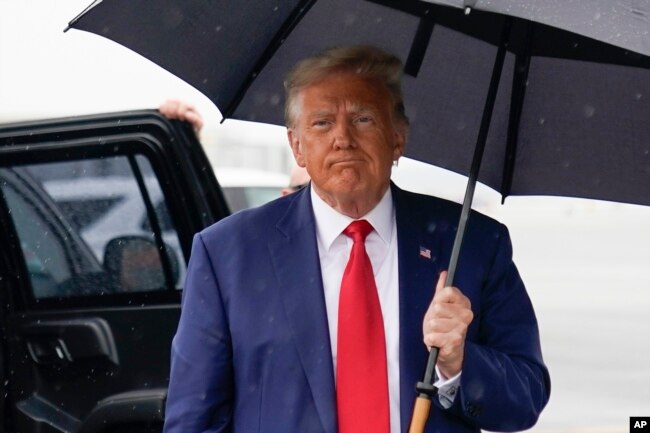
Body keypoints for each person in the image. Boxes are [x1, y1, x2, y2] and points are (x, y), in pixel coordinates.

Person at [163, 45, 550, 433]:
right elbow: (194, 420)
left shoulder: (473, 244)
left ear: (397, 138)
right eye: (322, 123)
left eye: (363, 119)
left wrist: (458, 361)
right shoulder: (228, 252)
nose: (343, 138)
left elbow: (525, 398)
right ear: (297, 146)